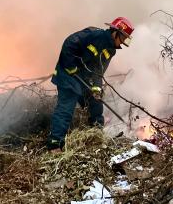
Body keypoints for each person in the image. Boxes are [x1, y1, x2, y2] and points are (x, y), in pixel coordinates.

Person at [47, 17, 134, 151]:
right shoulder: (94, 35)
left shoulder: (111, 50)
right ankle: (54, 144)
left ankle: (96, 135)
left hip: (83, 78)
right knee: (66, 108)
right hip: (68, 74)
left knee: (96, 103)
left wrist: (96, 89)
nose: (122, 43)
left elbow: (99, 71)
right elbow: (69, 43)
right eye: (122, 38)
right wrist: (71, 66)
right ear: (116, 32)